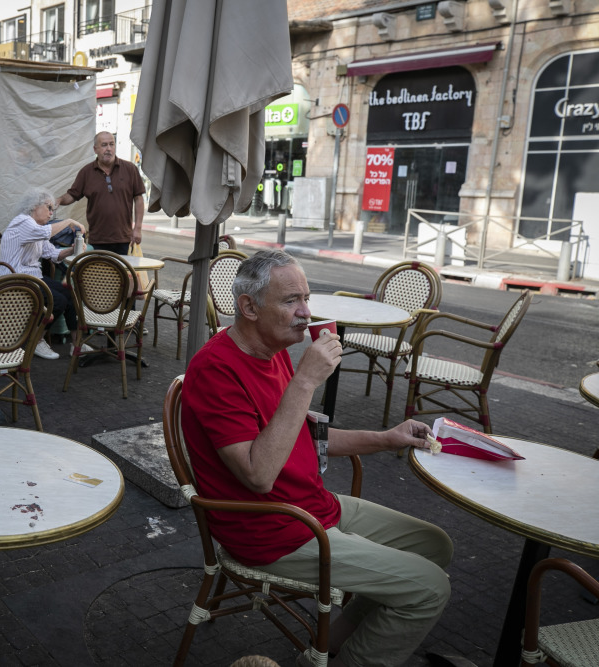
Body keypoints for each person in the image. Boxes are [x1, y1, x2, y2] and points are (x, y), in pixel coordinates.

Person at [180, 249, 452, 667]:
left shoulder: (274, 354)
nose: (306, 313)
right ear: (248, 306)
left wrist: (386, 437)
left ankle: (333, 645)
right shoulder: (217, 369)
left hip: (313, 507)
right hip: (274, 531)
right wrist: (306, 379)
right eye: (291, 301)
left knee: (435, 546)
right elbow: (258, 475)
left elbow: (306, 437)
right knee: (430, 589)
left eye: (306, 299)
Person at [0, 188, 87, 360]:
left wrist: (71, 250)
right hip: (15, 278)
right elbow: (45, 233)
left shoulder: (38, 227)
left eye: (53, 209)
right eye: (49, 208)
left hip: (31, 277)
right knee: (58, 300)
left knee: (68, 292)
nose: (51, 213)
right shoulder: (23, 222)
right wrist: (68, 221)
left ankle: (77, 344)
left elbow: (53, 254)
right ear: (34, 206)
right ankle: (35, 341)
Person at [55, 131, 145, 255]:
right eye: (104, 145)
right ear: (95, 149)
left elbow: (139, 198)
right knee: (100, 274)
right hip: (97, 239)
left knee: (121, 274)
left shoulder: (130, 169)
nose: (108, 149)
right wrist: (59, 200)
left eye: (111, 144)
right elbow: (72, 195)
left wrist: (138, 228)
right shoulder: (86, 172)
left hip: (123, 239)